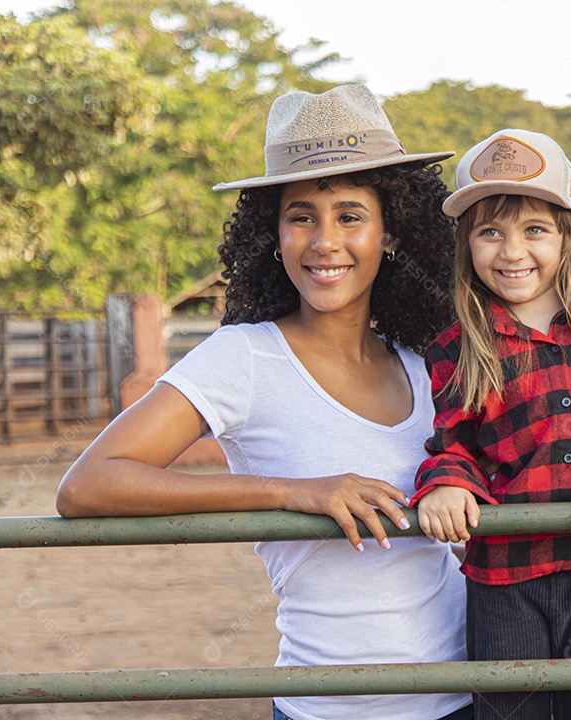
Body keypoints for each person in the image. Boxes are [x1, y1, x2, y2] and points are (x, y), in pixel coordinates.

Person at [56, 85, 472, 720]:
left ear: (392, 234)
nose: (324, 242)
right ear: (273, 235)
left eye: (351, 216)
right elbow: (88, 486)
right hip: (329, 709)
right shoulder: (245, 358)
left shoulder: (423, 360)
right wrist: (289, 491)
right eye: (301, 216)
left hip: (464, 696)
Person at [411, 128, 571, 720]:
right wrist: (447, 482)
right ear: (466, 245)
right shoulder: (457, 342)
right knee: (510, 710)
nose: (511, 250)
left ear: (567, 237)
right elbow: (453, 441)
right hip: (505, 575)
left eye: (534, 230)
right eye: (489, 232)